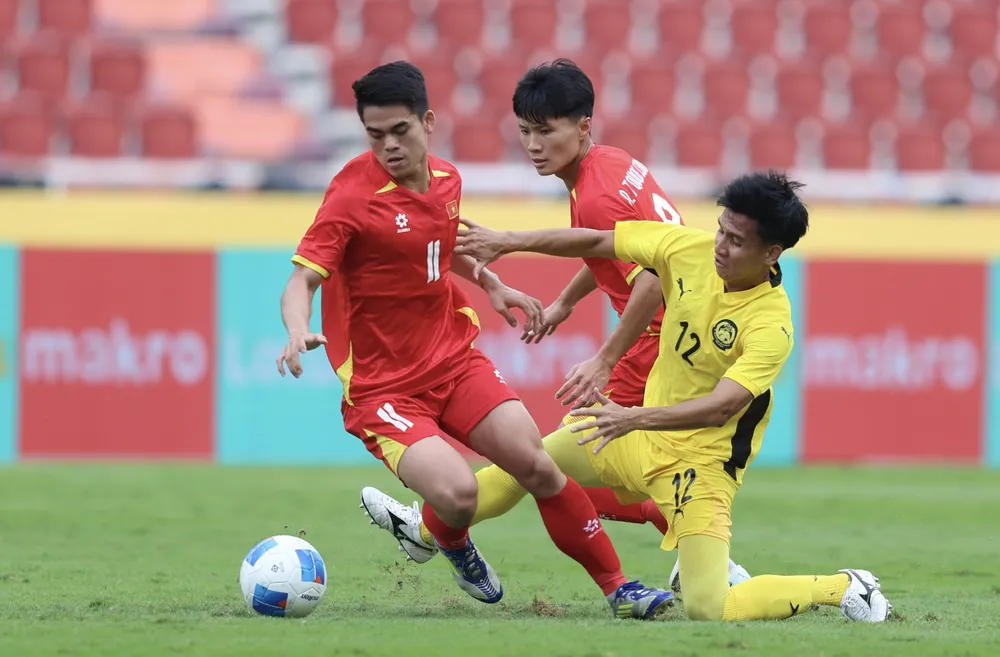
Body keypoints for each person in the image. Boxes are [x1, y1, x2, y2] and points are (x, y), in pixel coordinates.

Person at [276, 61, 673, 619]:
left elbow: (441, 246)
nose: (388, 146)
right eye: (375, 135)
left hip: (454, 361)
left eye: (400, 131)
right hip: (383, 389)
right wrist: (297, 329)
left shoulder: (447, 182)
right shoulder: (351, 197)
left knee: (536, 464)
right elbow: (303, 279)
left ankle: (619, 589)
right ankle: (452, 540)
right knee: (459, 494)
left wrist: (493, 284)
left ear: (427, 122)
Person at [360, 59, 750, 596]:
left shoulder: (595, 193)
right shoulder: (613, 165)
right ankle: (700, 554)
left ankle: (428, 530)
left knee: (542, 464)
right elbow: (611, 249)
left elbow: (652, 282)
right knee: (572, 466)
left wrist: (605, 358)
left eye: (547, 131)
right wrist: (566, 303)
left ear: (582, 127)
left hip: (656, 351)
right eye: (525, 131)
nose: (534, 144)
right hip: (686, 339)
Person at [450, 170, 893, 623]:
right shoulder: (687, 249)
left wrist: (632, 419)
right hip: (635, 436)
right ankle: (430, 531)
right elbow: (597, 242)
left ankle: (842, 586)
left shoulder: (771, 324)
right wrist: (508, 239)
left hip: (699, 466)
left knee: (710, 607)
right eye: (721, 229)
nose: (720, 244)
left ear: (771, 253)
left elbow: (721, 406)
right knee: (526, 463)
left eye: (736, 240)